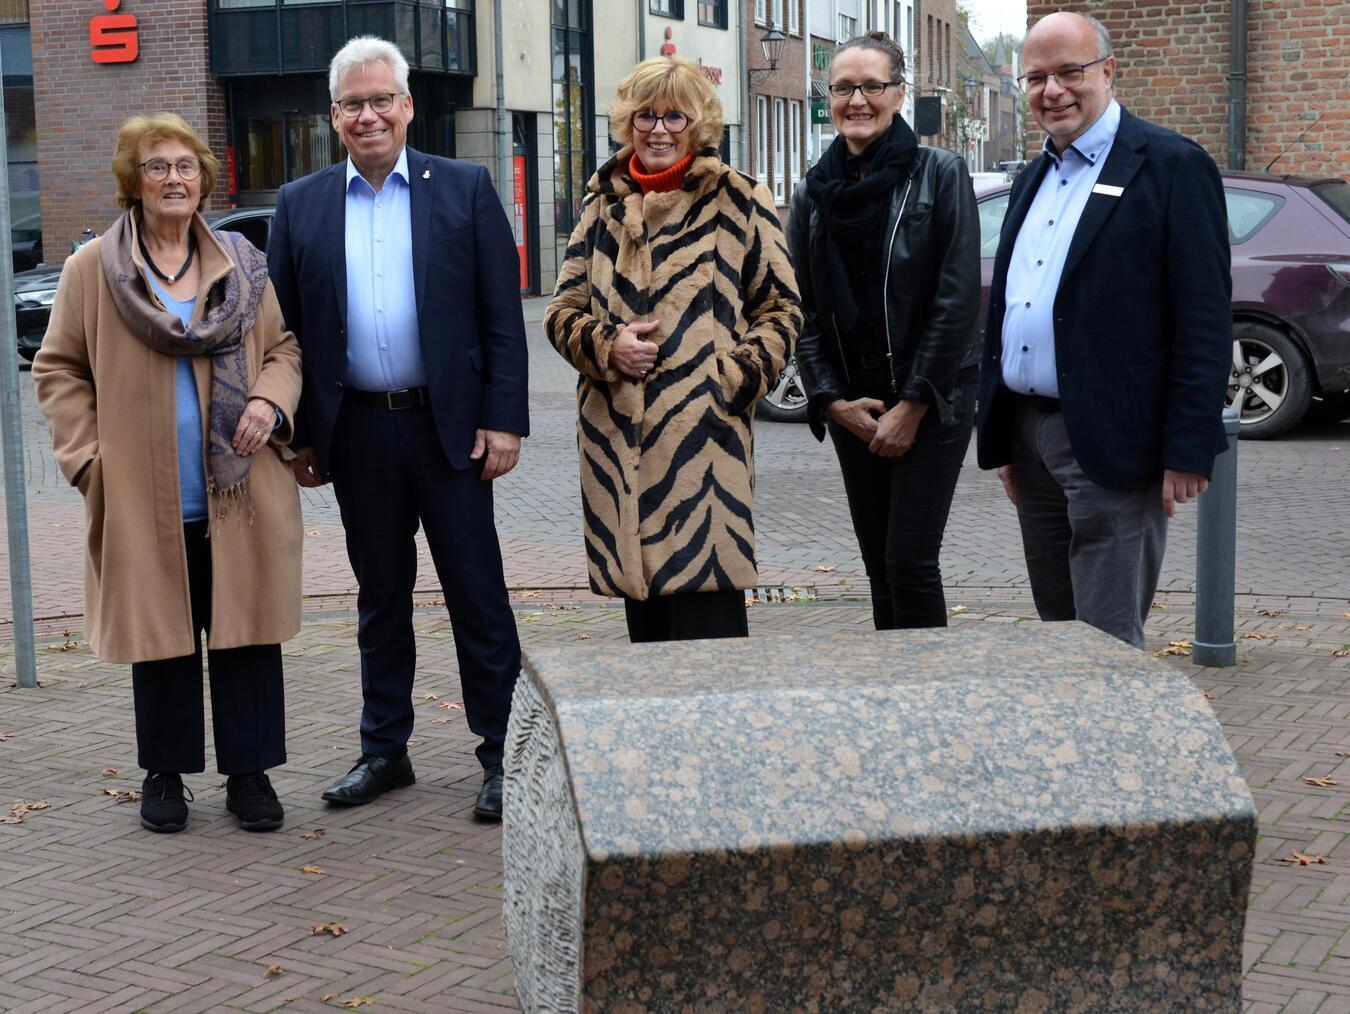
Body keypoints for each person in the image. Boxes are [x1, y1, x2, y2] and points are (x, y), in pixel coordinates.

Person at [267, 36, 528, 821]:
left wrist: (504, 419)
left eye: (383, 99)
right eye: (353, 103)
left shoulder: (465, 188)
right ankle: (385, 748)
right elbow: (286, 332)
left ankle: (504, 752)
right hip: (358, 436)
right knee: (381, 596)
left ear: (408, 106)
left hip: (448, 432)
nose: (369, 114)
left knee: (477, 596)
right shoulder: (301, 204)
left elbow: (500, 319)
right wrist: (303, 435)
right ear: (334, 115)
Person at [33, 113, 303, 834]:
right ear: (134, 181)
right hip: (140, 492)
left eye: (186, 166)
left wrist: (271, 405)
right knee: (163, 637)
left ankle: (250, 775)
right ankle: (165, 774)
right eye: (158, 167)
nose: (174, 179)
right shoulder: (95, 271)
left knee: (246, 633)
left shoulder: (241, 261)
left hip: (239, 485)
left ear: (204, 180)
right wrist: (88, 461)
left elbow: (282, 350)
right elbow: (58, 368)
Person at [976, 12, 1232, 648]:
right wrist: (1001, 435)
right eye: (1035, 77)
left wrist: (1187, 447)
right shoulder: (1031, 177)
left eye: (1069, 72)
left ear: (1109, 71)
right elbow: (1008, 305)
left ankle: (1124, 744)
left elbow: (1203, 318)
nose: (1052, 90)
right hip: (1030, 434)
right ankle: (1076, 745)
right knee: (1059, 632)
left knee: (1108, 641)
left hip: (1116, 441)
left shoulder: (1172, 166)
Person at [544, 55, 801, 643]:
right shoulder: (601, 204)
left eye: (674, 117)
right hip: (618, 443)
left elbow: (782, 309)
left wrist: (729, 379)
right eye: (645, 116)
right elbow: (561, 311)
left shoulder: (739, 198)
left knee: (710, 626)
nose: (658, 129)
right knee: (648, 632)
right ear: (628, 122)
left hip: (705, 450)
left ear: (699, 124)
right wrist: (608, 347)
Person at [788, 32, 981, 631]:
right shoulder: (812, 194)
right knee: (878, 563)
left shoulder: (940, 173)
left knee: (911, 559)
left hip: (932, 398)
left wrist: (914, 405)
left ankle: (930, 703)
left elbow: (956, 300)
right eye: (844, 88)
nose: (858, 100)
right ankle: (893, 698)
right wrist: (830, 400)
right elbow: (802, 309)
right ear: (829, 100)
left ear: (899, 93)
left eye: (873, 85)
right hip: (855, 405)